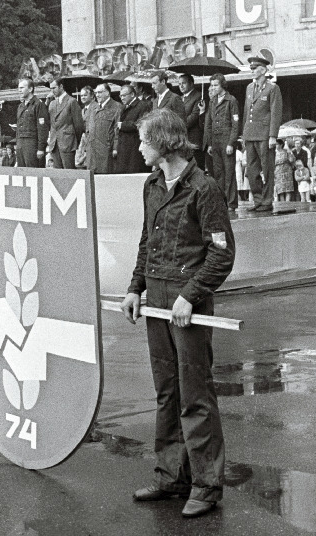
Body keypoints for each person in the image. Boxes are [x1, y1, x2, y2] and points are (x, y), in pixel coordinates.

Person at [121, 109, 235, 519]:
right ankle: (172, 475)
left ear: (166, 142)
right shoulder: (152, 184)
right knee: (167, 391)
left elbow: (221, 254)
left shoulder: (204, 189)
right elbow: (146, 241)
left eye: (143, 141)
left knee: (195, 394)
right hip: (157, 297)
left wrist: (191, 295)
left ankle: (206, 485)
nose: (138, 148)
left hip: (187, 303)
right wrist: (136, 287)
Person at [242, 55, 283, 212]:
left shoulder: (272, 88)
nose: (252, 70)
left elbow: (275, 113)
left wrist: (273, 136)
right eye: (251, 68)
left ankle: (267, 201)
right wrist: (244, 134)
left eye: (255, 68)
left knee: (267, 169)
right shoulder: (249, 88)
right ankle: (258, 200)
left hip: (265, 134)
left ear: (264, 70)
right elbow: (247, 112)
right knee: (252, 170)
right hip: (250, 133)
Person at [203, 74, 239, 211]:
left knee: (229, 172)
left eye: (216, 85)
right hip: (215, 140)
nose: (213, 88)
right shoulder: (212, 101)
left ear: (222, 85)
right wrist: (210, 143)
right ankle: (221, 201)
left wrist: (231, 142)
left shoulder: (231, 101)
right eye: (211, 85)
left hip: (226, 139)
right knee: (218, 173)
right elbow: (209, 123)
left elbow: (235, 124)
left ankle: (231, 203)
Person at [48, 77, 85, 169]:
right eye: (51, 89)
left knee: (69, 172)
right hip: (54, 143)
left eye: (54, 88)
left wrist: (74, 140)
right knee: (58, 174)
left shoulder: (71, 101)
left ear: (61, 86)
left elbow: (78, 125)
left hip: (67, 142)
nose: (52, 91)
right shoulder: (52, 103)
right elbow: (51, 123)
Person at [86, 83, 122, 174]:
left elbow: (117, 130)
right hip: (92, 150)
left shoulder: (117, 107)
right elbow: (88, 127)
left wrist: (115, 148)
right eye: (96, 93)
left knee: (105, 177)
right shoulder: (93, 107)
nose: (97, 95)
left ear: (107, 93)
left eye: (99, 92)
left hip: (106, 150)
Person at [16, 78, 50, 168]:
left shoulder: (38, 104)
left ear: (30, 89)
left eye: (22, 88)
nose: (19, 90)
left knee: (33, 173)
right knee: (22, 172)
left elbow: (42, 128)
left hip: (32, 144)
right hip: (20, 144)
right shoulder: (20, 106)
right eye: (19, 88)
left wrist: (41, 148)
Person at [114, 84, 148, 174]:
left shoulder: (142, 106)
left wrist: (123, 125)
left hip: (134, 148)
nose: (122, 98)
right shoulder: (124, 107)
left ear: (132, 94)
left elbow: (142, 124)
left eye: (124, 95)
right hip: (124, 148)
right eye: (120, 95)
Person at [178, 74, 204, 170]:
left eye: (184, 83)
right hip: (183, 141)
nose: (181, 86)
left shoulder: (198, 96)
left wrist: (179, 126)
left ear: (191, 84)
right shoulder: (180, 98)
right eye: (179, 84)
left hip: (194, 140)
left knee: (196, 169)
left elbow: (194, 116)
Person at [76, 86, 96, 169]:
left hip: (92, 140)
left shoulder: (95, 107)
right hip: (85, 140)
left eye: (85, 95)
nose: (83, 97)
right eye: (81, 96)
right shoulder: (83, 109)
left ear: (91, 96)